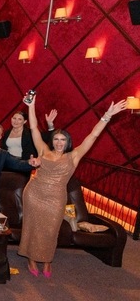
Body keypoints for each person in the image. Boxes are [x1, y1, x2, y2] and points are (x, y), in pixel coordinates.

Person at [19, 96, 126, 278]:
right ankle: (30, 259)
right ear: (52, 141)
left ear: (68, 142)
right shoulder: (43, 151)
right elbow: (34, 128)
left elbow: (93, 135)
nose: (59, 143)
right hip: (34, 193)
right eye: (56, 139)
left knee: (51, 230)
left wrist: (107, 115)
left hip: (56, 198)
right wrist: (32, 106)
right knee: (31, 226)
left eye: (63, 140)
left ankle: (46, 261)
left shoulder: (74, 156)